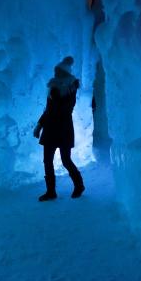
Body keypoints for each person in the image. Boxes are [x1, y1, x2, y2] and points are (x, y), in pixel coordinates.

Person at [33, 56, 85, 201]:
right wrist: (39, 125)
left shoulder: (70, 88)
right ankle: (51, 191)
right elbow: (48, 110)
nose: (55, 74)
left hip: (63, 129)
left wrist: (55, 95)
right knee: (47, 161)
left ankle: (79, 185)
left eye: (58, 72)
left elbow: (64, 109)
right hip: (50, 129)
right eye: (55, 72)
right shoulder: (53, 88)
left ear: (65, 73)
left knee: (66, 160)